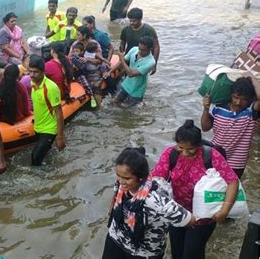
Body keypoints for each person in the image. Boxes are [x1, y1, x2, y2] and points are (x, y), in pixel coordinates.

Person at [152, 120, 239, 259]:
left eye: (190, 149)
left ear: (199, 145)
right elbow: (156, 179)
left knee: (191, 253)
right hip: (178, 212)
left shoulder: (211, 155)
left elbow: (232, 182)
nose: (185, 153)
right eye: (181, 148)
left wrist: (225, 210)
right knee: (177, 252)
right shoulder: (170, 154)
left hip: (204, 216)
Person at [103, 147, 195, 259]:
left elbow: (189, 220)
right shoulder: (121, 183)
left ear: (140, 177)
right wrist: (111, 208)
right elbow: (116, 194)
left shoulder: (157, 201)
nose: (121, 181)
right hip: (116, 239)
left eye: (127, 178)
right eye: (119, 176)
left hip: (144, 252)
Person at [201, 77, 260, 178]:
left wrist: (251, 77)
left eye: (243, 99)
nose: (238, 102)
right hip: (214, 156)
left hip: (236, 163)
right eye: (235, 97)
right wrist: (206, 109)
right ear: (231, 95)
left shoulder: (250, 113)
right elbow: (205, 128)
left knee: (230, 190)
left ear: (249, 99)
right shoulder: (219, 108)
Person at [29, 55, 65, 165]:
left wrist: (60, 136)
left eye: (35, 72)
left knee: (35, 159)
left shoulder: (51, 88)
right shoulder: (33, 83)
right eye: (30, 71)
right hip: (38, 126)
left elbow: (59, 113)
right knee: (44, 155)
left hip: (49, 129)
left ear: (43, 72)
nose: (32, 75)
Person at [105, 36, 156, 107]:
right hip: (126, 84)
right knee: (113, 102)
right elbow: (122, 62)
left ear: (150, 49)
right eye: (139, 49)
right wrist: (110, 71)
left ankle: (141, 103)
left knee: (128, 110)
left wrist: (121, 58)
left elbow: (131, 74)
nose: (140, 51)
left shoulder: (151, 62)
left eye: (143, 50)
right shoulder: (134, 49)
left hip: (137, 90)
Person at [120, 8, 160, 74]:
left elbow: (156, 47)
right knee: (128, 76)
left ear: (140, 19)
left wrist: (154, 64)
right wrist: (121, 59)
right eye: (130, 21)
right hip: (130, 57)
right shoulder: (125, 30)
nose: (132, 23)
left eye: (134, 21)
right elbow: (122, 45)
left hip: (144, 59)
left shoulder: (149, 30)